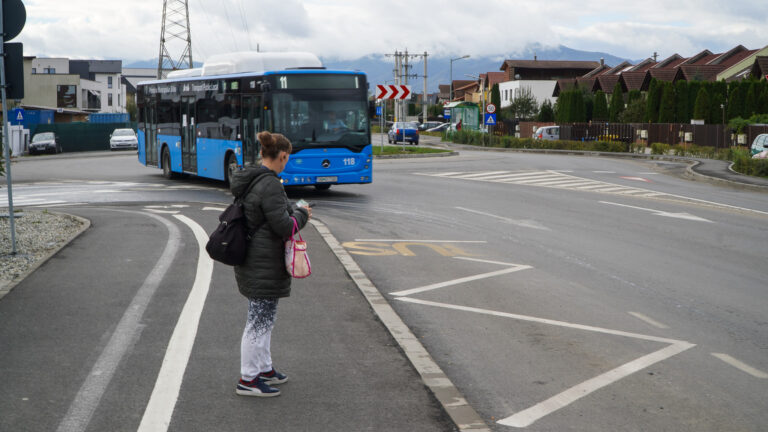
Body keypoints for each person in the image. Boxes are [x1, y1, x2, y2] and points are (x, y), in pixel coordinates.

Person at [229, 131, 312, 397]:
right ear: (282, 155)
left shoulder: (255, 178)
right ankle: (248, 379)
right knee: (258, 323)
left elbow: (273, 214)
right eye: (287, 158)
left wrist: (291, 209)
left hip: (255, 259)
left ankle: (263, 369)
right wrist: (303, 213)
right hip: (261, 262)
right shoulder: (270, 184)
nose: (287, 163)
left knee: (264, 319)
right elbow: (286, 226)